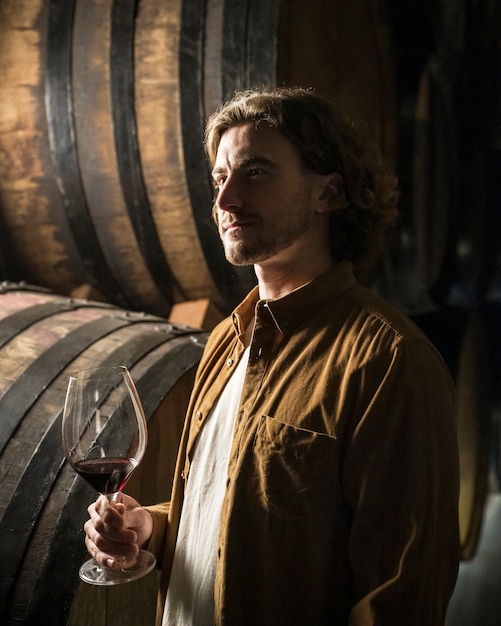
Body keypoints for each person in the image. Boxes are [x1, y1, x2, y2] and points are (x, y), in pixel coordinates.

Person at [84, 86, 460, 625]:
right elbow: (215, 518)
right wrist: (148, 527)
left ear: (328, 193)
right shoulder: (224, 339)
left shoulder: (389, 362)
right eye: (220, 178)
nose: (225, 200)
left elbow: (400, 598)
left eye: (255, 172)